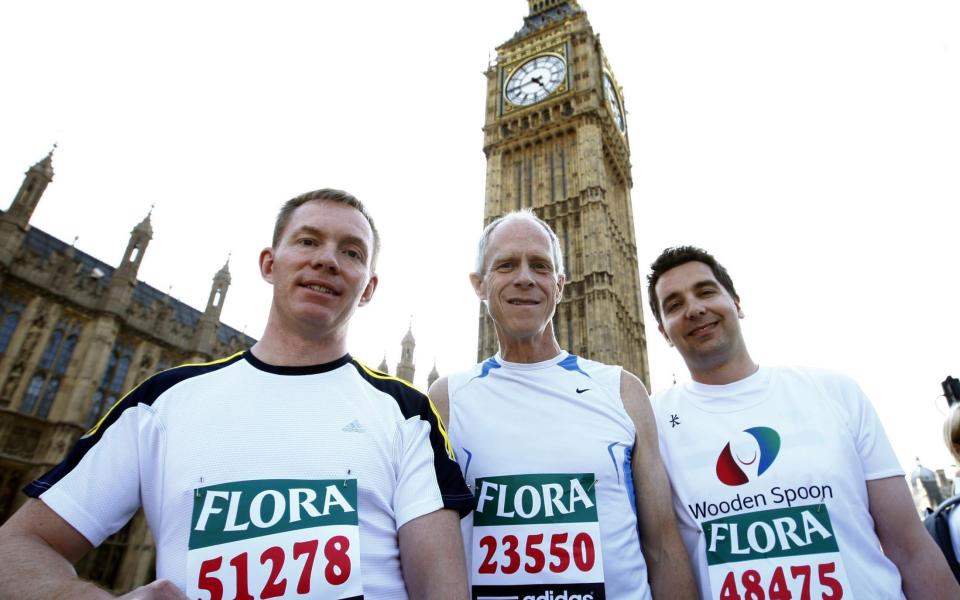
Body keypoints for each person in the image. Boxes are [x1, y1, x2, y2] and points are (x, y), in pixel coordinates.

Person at [0, 189, 473, 599]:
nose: (327, 259)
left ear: (368, 287)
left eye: (351, 252)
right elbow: (17, 547)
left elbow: (441, 588)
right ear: (269, 263)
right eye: (308, 241)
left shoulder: (409, 414)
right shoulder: (162, 401)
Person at [646, 245, 960, 599]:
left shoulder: (833, 392)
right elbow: (660, 560)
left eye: (705, 291)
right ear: (662, 331)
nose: (695, 308)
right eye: (674, 304)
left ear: (736, 303)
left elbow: (911, 547)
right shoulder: (648, 423)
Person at [430, 211, 696, 600]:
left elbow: (664, 549)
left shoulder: (621, 390)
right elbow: (432, 554)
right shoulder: (446, 399)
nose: (524, 277)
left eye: (539, 265)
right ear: (480, 284)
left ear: (559, 285)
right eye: (507, 265)